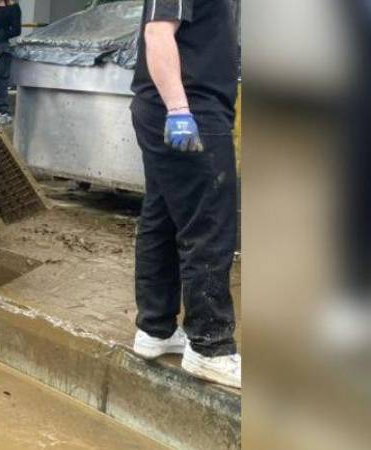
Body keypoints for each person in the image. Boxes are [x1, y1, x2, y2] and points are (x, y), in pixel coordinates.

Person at [128, 0, 241, 388]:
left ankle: (155, 330)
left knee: (161, 218)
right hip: (187, 110)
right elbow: (158, 32)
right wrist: (179, 108)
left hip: (185, 107)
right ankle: (211, 347)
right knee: (209, 224)